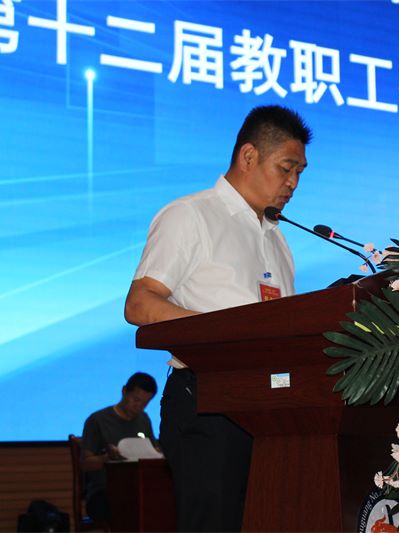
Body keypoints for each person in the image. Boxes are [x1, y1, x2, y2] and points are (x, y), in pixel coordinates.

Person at [124, 105, 311, 531]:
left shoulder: (277, 238)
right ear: (248, 156)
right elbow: (140, 303)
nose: (293, 183)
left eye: (300, 172)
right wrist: (224, 333)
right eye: (286, 168)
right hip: (207, 404)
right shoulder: (191, 215)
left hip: (269, 409)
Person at [80, 372, 158, 523]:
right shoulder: (97, 420)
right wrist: (107, 458)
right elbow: (85, 463)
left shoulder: (144, 420)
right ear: (124, 391)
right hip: (104, 491)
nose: (139, 407)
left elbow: (154, 451)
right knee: (129, 507)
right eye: (136, 400)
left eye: (145, 403)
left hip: (138, 488)